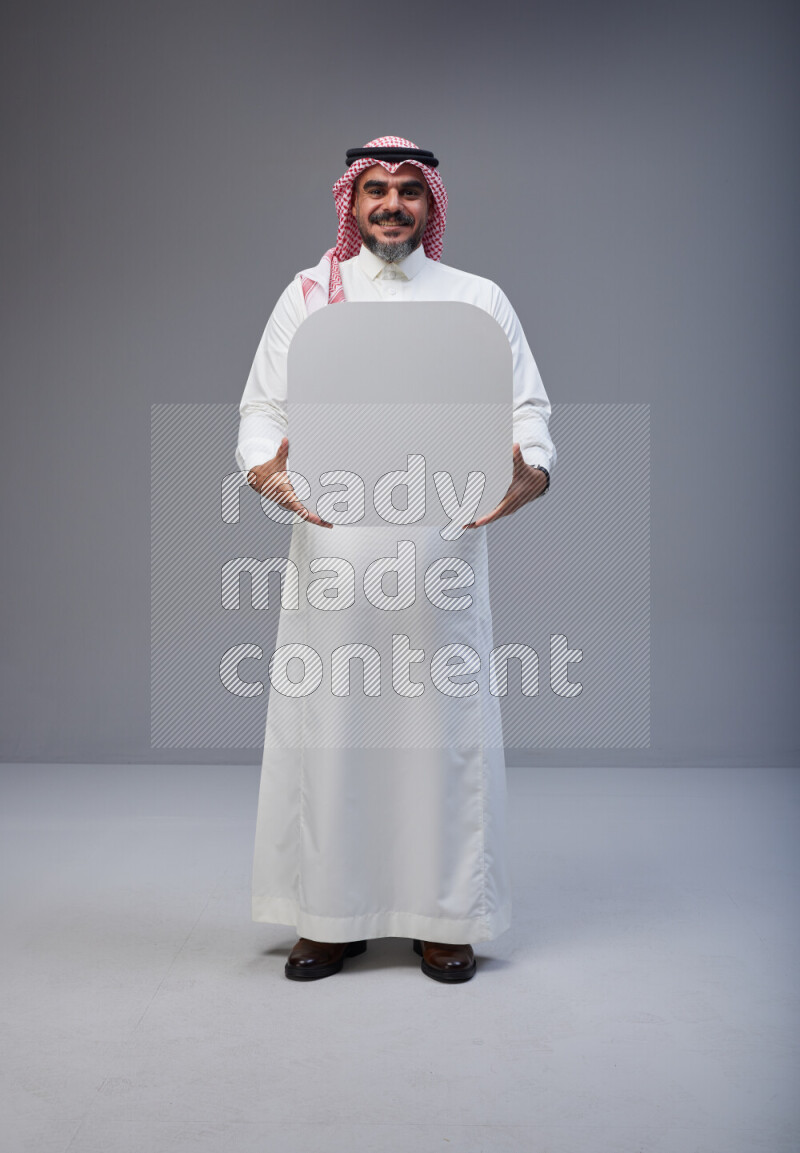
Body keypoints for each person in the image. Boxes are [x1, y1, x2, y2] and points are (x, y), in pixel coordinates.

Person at [235, 136, 555, 983]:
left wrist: (530, 469)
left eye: (409, 191)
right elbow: (262, 410)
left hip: (440, 550)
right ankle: (329, 917)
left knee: (437, 735)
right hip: (337, 553)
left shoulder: (478, 299)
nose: (391, 205)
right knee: (334, 732)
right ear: (351, 199)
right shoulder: (309, 297)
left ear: (431, 204)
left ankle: (443, 917)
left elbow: (526, 409)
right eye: (376, 189)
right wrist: (269, 472)